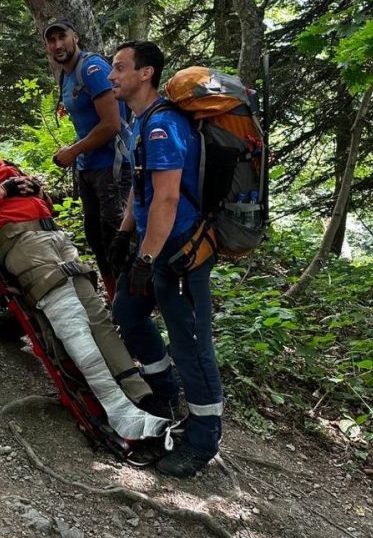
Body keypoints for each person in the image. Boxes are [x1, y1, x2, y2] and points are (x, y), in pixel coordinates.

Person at [0, 112, 170, 444]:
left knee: (97, 316)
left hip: (54, 237)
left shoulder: (6, 165)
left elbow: (44, 203)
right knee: (70, 319)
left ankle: (141, 395)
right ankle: (116, 407)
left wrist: (35, 190)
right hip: (21, 243)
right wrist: (2, 191)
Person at [108, 41, 224, 477]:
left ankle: (203, 440)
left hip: (181, 254)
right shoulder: (141, 121)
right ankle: (164, 392)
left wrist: (146, 259)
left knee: (191, 343)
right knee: (128, 312)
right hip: (154, 246)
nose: (111, 75)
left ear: (146, 73)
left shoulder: (162, 126)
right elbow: (143, 187)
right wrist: (124, 235)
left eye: (120, 67)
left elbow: (168, 198)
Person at [43, 18, 130, 300]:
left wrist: (73, 151)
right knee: (95, 237)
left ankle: (131, 303)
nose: (57, 45)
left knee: (116, 237)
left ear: (75, 37)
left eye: (62, 37)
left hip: (112, 167)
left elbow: (112, 124)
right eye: (51, 40)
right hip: (89, 168)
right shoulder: (66, 75)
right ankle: (115, 299)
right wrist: (76, 152)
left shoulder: (92, 69)